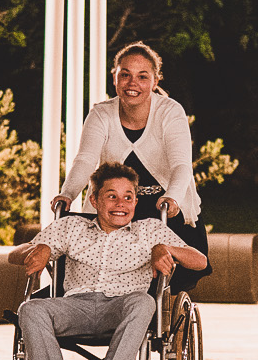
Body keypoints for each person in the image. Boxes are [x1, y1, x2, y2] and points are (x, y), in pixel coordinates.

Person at [12, 162, 207, 360]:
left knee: (144, 301)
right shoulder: (71, 227)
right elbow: (14, 255)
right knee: (29, 309)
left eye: (128, 197)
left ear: (136, 203)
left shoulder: (149, 230)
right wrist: (40, 249)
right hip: (75, 307)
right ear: (94, 200)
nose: (120, 204)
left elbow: (200, 261)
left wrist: (166, 249)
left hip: (122, 309)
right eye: (111, 196)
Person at [58, 42, 199, 230]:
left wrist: (172, 197)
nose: (133, 83)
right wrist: (67, 194)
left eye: (142, 77)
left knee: (189, 257)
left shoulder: (170, 112)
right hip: (117, 210)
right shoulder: (101, 114)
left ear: (155, 81)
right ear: (114, 77)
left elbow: (181, 165)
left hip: (165, 206)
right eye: (125, 75)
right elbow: (85, 160)